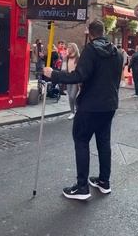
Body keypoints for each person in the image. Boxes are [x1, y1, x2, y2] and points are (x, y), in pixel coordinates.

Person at [43, 20, 123, 200]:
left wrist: (53, 74)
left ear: (90, 33)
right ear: (103, 32)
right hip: (109, 104)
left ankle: (82, 187)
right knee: (104, 142)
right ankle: (104, 182)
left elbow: (80, 75)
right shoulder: (117, 53)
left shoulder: (90, 50)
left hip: (90, 105)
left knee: (81, 140)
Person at [62, 43, 80, 120]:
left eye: (69, 47)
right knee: (70, 97)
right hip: (68, 78)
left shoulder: (78, 58)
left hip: (76, 79)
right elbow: (63, 68)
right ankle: (72, 112)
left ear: (74, 48)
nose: (68, 48)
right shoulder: (67, 57)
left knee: (73, 96)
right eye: (68, 47)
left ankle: (78, 111)